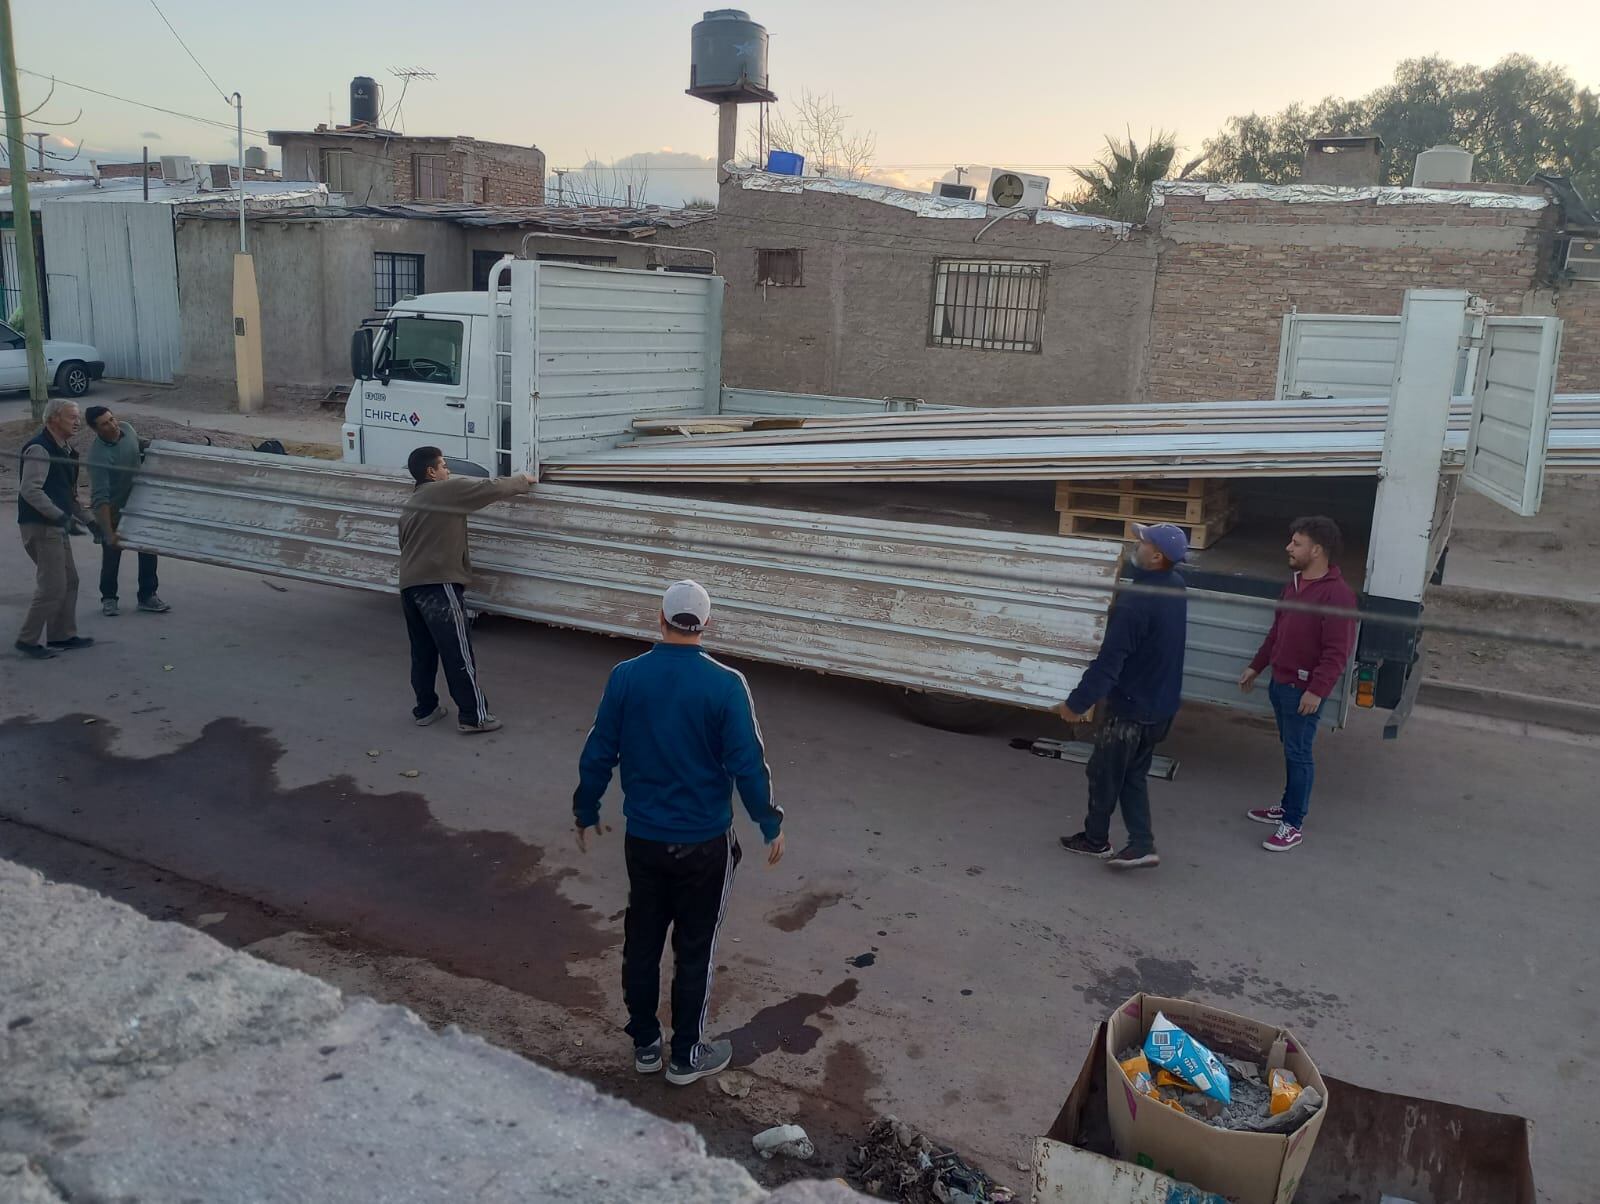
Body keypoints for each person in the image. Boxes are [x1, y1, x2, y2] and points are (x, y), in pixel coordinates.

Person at [573, 580, 785, 1087]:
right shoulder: (727, 685)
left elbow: (600, 748)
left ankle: (646, 1043)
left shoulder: (626, 677)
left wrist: (586, 808)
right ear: (707, 624)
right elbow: (748, 765)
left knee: (641, 940)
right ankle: (687, 1056)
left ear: (659, 618)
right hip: (705, 845)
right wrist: (768, 821)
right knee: (696, 947)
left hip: (644, 840)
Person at [1057, 522, 1189, 871]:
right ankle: (1142, 844)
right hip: (1161, 708)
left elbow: (1109, 664)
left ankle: (1095, 840)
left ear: (1156, 556)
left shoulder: (1136, 605)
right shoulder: (1175, 586)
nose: (1136, 546)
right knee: (1132, 774)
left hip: (1131, 710)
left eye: (1141, 543)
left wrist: (1077, 703)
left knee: (1103, 771)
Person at [1239, 516, 1358, 854]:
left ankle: (1292, 824)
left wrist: (1317, 690)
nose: (1288, 548)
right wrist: (1256, 667)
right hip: (1281, 683)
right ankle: (1286, 805)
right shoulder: (1294, 583)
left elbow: (1337, 653)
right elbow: (1277, 632)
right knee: (1291, 749)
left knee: (1299, 753)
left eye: (1296, 543)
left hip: (1302, 691)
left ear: (1317, 550)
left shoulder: (1338, 595)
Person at [397, 446, 535, 733]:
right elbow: (489, 488)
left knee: (422, 652)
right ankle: (474, 717)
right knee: (457, 651)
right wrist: (524, 480)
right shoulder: (444, 492)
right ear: (431, 472)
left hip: (410, 588)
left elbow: (404, 545)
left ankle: (426, 709)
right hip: (438, 585)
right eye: (444, 466)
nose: (448, 471)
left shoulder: (411, 504)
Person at [15, 399, 95, 660]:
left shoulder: (65, 450)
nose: (77, 421)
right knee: (52, 586)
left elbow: (67, 495)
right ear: (52, 420)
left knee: (69, 581)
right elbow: (30, 491)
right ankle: (27, 640)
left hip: (55, 525)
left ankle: (62, 635)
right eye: (71, 416)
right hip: (41, 526)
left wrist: (91, 521)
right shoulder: (40, 448)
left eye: (77, 416)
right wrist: (61, 517)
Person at [85, 405, 169, 618]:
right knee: (112, 554)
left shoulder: (127, 429)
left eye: (112, 419)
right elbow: (100, 499)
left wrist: (154, 446)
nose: (112, 425)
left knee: (148, 549)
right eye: (105, 424)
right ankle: (109, 598)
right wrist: (108, 532)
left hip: (139, 502)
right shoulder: (99, 456)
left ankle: (148, 595)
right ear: (95, 430)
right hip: (113, 510)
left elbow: (137, 444)